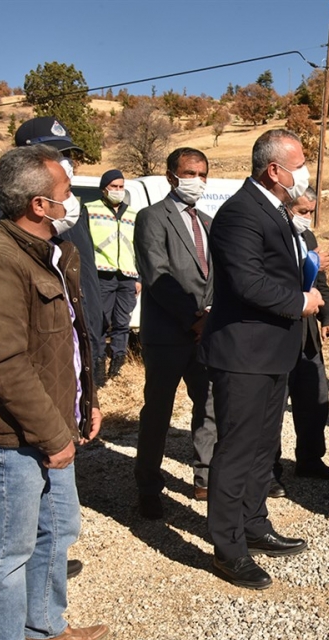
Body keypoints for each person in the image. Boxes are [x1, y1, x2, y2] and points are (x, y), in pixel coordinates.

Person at [0, 144, 109, 640]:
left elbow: (66, 345)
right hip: (8, 436)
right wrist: (54, 436)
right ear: (40, 205)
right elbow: (6, 365)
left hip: (49, 427)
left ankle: (42, 626)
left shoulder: (49, 253)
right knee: (9, 549)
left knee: (58, 530)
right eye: (65, 192)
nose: (72, 201)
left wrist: (85, 405)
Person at [201, 129, 323, 590]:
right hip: (244, 352)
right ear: (274, 170)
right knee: (237, 449)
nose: (305, 173)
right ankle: (229, 547)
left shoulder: (275, 210)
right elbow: (247, 282)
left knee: (262, 446)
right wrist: (300, 302)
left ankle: (254, 523)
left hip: (273, 352)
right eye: (299, 164)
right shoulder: (240, 213)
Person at [0, 116, 105, 392]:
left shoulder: (72, 211)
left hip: (77, 354)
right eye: (54, 155)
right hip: (35, 371)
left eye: (66, 155)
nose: (64, 163)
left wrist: (94, 341)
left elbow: (85, 279)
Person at [134, 148, 217, 518]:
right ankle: (149, 488)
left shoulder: (209, 222)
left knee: (210, 406)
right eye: (189, 173)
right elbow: (158, 276)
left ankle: (205, 478)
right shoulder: (152, 218)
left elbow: (216, 276)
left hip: (205, 335)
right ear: (171, 176)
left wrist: (211, 317)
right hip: (168, 335)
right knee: (158, 412)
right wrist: (192, 318)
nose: (197, 180)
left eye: (202, 174)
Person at [268, 186, 329, 500]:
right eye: (301, 212)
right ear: (286, 208)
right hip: (277, 334)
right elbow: (269, 280)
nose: (307, 218)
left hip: (308, 335)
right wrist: (307, 264)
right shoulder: (271, 235)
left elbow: (320, 284)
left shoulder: (308, 237)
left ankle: (310, 459)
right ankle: (268, 472)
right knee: (272, 409)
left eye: (311, 212)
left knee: (314, 399)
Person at [87, 169, 139, 385]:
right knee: (100, 322)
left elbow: (140, 248)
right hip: (102, 275)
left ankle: (117, 366)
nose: (118, 190)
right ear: (104, 188)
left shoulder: (133, 215)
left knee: (122, 323)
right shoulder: (90, 210)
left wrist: (139, 278)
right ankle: (98, 366)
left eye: (121, 187)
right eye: (113, 186)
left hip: (127, 276)